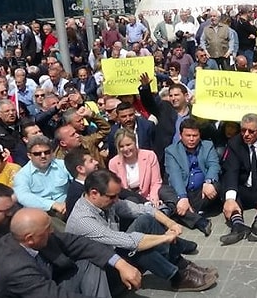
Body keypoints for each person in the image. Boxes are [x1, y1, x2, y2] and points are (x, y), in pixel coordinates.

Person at [66, 170, 217, 292]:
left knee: (145, 220)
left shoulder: (106, 202)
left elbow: (143, 210)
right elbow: (129, 242)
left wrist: (171, 223)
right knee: (137, 249)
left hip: (113, 256)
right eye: (112, 197)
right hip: (100, 276)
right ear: (94, 193)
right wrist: (165, 238)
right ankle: (177, 277)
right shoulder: (83, 220)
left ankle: (182, 264)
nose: (117, 200)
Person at [0, 208, 142, 298]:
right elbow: (54, 296)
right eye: (47, 229)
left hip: (49, 283)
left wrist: (120, 263)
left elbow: (80, 243)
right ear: (29, 239)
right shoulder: (16, 268)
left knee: (89, 262)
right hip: (42, 294)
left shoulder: (28, 237)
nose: (53, 231)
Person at [219, 114, 257, 245]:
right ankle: (238, 226)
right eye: (243, 130)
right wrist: (230, 199)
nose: (246, 134)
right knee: (227, 186)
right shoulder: (234, 143)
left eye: (251, 131)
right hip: (246, 188)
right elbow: (232, 171)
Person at [160, 119, 219, 236]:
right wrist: (182, 197)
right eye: (188, 135)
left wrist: (208, 181)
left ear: (199, 135)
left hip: (201, 192)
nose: (191, 139)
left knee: (216, 185)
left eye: (195, 135)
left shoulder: (208, 146)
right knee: (164, 191)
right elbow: (174, 175)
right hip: (183, 191)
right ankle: (199, 220)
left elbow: (214, 165)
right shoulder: (171, 151)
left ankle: (178, 212)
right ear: (180, 135)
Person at [13, 136, 71, 221]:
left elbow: (77, 180)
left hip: (67, 206)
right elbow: (23, 196)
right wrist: (53, 204)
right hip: (41, 213)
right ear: (29, 155)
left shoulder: (63, 165)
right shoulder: (22, 175)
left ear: (52, 152)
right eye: (37, 154)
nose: (43, 156)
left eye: (47, 152)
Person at [107, 128, 162, 206]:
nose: (126, 149)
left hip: (149, 196)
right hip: (128, 200)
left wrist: (153, 198)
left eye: (128, 145)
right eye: (121, 146)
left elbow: (156, 182)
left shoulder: (150, 155)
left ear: (135, 142)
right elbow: (118, 189)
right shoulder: (113, 163)